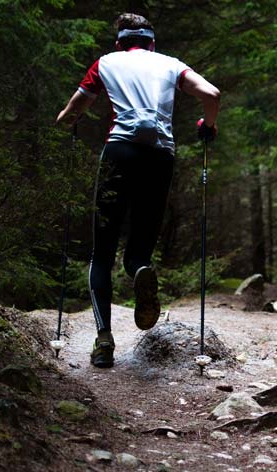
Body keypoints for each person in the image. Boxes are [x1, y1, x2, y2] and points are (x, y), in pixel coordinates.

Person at [56, 13, 221, 368]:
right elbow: (211, 93)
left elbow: (74, 109)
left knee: (101, 252)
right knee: (139, 249)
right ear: (152, 43)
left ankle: (103, 341)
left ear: (119, 43)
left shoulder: (106, 62)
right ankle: (140, 270)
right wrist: (208, 125)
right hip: (160, 156)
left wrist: (67, 121)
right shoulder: (170, 64)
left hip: (120, 152)